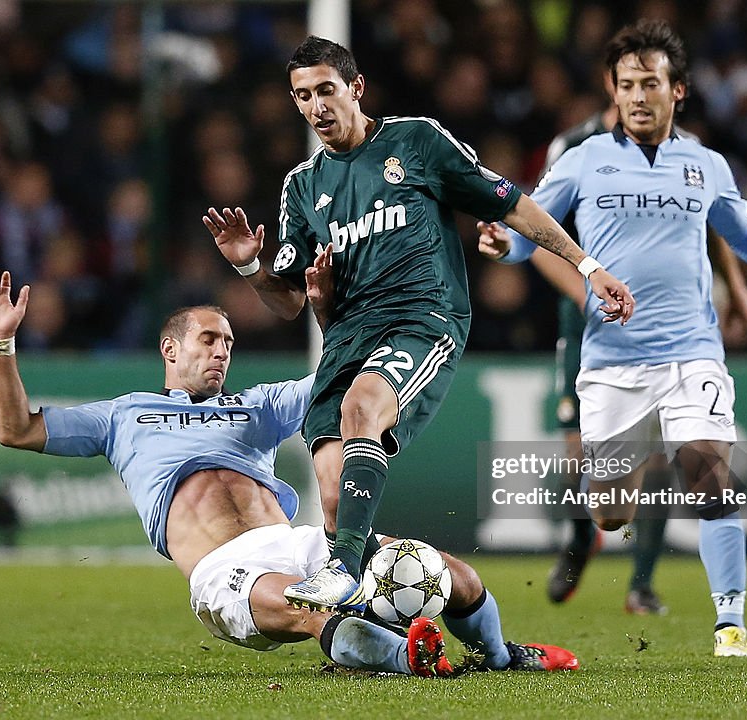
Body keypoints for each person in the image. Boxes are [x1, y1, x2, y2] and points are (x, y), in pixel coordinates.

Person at [0, 267, 580, 676]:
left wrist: (329, 310)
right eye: (208, 339)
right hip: (224, 569)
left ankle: (501, 658)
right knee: (291, 605)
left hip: (300, 543)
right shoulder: (121, 416)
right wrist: (0, 344)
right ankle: (410, 658)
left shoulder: (254, 405)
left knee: (451, 574)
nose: (221, 351)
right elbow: (16, 429)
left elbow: (342, 380)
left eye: (229, 342)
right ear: (170, 348)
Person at [203, 35, 635, 613]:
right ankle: (440, 609)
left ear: (356, 89)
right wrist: (252, 266)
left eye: (326, 90)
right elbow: (285, 303)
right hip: (348, 336)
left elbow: (510, 202)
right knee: (332, 494)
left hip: (422, 317)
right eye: (302, 96)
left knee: (362, 410)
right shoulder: (301, 187)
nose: (316, 107)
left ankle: (344, 574)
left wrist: (587, 265)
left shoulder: (416, 141)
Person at [478, 20, 747, 657]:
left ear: (679, 90)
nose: (639, 95)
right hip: (612, 363)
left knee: (709, 474)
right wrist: (503, 245)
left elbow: (742, 232)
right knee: (610, 512)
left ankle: (730, 624)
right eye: (627, 85)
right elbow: (533, 220)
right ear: (612, 92)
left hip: (691, 351)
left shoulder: (704, 164)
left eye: (651, 83)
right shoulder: (584, 158)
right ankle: (599, 530)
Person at [492, 83, 747, 616]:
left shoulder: (686, 151)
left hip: (662, 319)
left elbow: (714, 224)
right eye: (631, 86)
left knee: (656, 447)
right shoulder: (574, 148)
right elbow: (538, 234)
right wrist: (586, 292)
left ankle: (641, 583)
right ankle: (579, 537)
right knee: (581, 452)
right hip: (591, 315)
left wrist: (737, 283)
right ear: (616, 90)